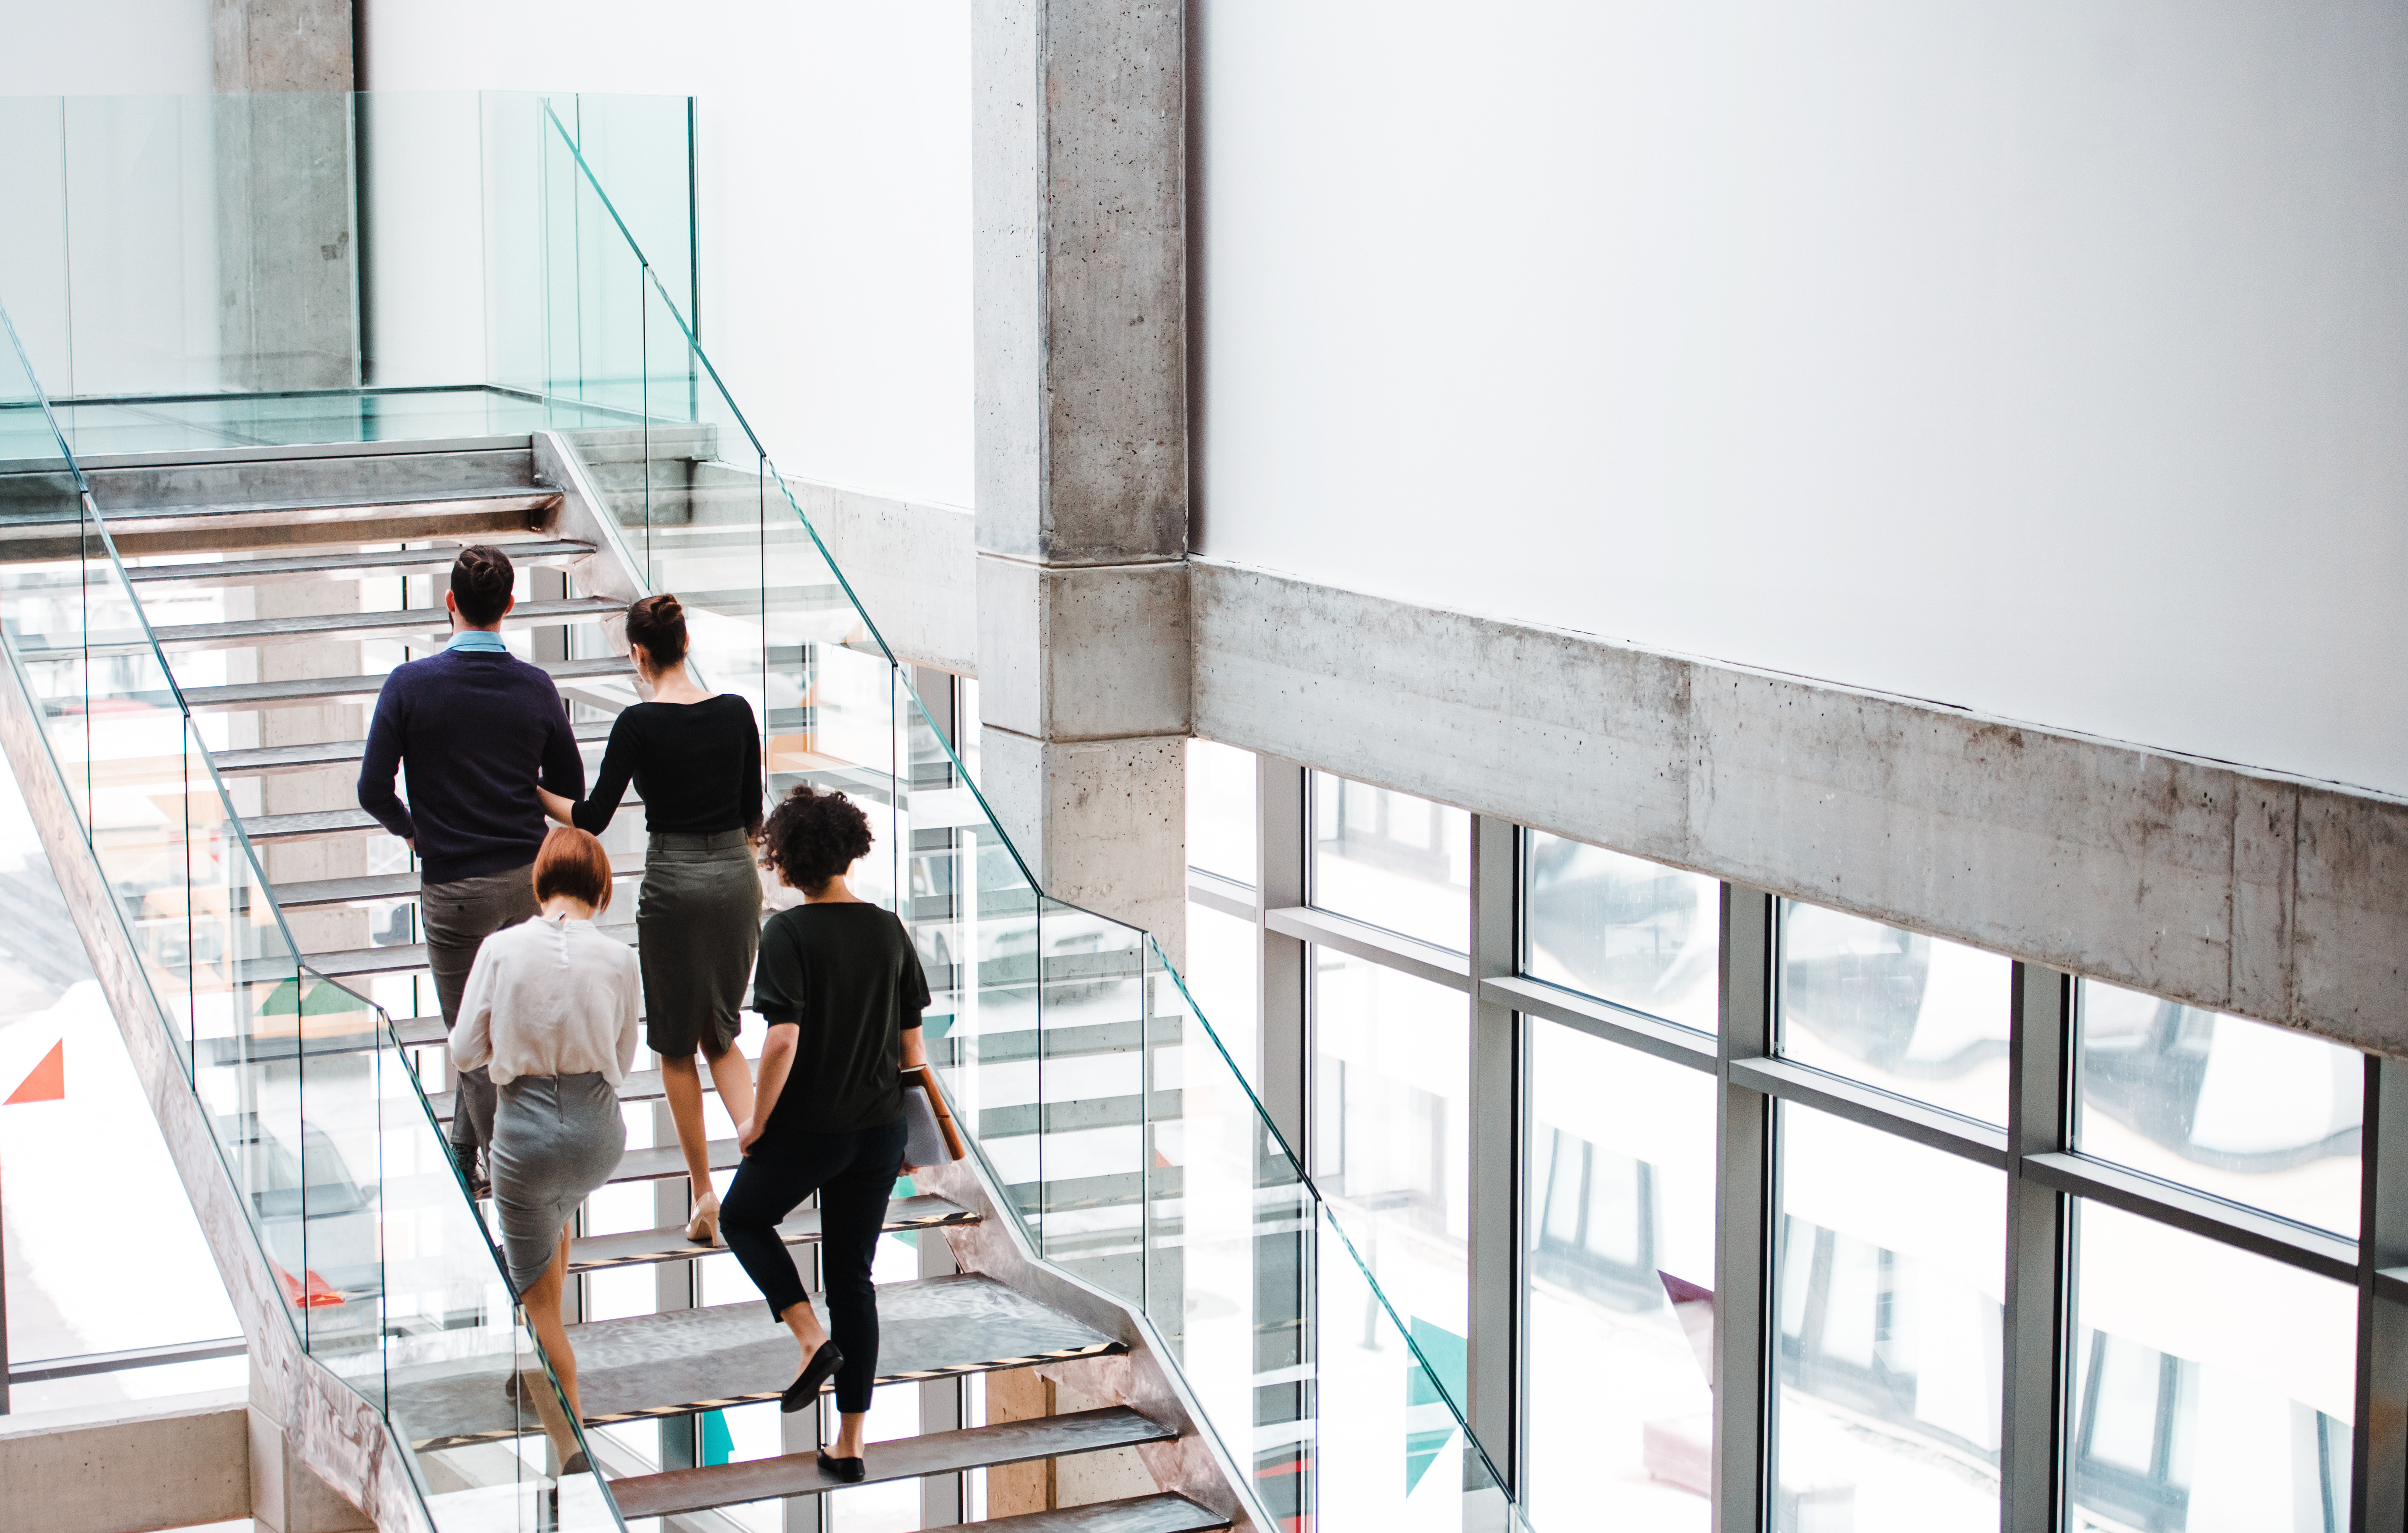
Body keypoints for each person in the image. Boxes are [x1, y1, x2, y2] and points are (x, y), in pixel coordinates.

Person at [358, 545, 586, 1195]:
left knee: (471, 1037)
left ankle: (507, 1172)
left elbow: (373, 788)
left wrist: (415, 829)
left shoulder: (409, 685)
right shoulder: (536, 687)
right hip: (524, 881)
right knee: (507, 1023)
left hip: (452, 888)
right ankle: (466, 1153)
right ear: (509, 607)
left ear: (450, 602)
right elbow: (568, 786)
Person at [539, 593, 764, 1244]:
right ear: (685, 642)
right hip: (735, 879)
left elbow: (591, 818)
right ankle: (760, 1161)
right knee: (722, 1033)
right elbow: (752, 812)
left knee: (674, 1043)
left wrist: (532, 790)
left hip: (673, 885)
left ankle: (702, 1194)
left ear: (640, 653)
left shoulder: (637, 724)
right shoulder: (736, 712)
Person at [721, 784, 929, 1484]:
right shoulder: (889, 929)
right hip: (877, 1133)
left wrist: (756, 1121)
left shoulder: (788, 933)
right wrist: (910, 1141)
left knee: (741, 1216)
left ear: (787, 860)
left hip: (813, 1128)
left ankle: (811, 1341)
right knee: (853, 1279)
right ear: (848, 848)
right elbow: (913, 1054)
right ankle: (850, 1445)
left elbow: (781, 1041)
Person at [450, 827, 641, 1456]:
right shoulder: (618, 958)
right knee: (554, 1217)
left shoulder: (501, 949)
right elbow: (623, 1057)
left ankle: (572, 1449)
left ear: (540, 882)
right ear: (602, 887)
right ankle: (531, 1375)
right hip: (595, 1135)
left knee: (539, 1307)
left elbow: (463, 1051)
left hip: (526, 1135)